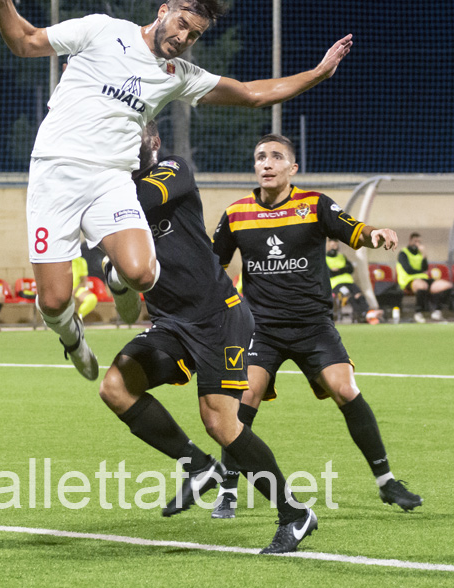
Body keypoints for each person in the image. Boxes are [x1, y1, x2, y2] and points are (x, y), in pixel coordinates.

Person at [0, 0, 353, 381]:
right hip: (54, 174)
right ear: (162, 11)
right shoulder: (103, 30)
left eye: (195, 34)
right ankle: (72, 339)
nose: (184, 38)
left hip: (111, 179)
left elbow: (251, 95)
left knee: (141, 274)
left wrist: (318, 74)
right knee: (53, 301)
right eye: (181, 24)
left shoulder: (178, 75)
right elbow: (25, 41)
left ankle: (116, 273)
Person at [99, 122, 317, 553]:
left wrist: (85, 201)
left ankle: (294, 513)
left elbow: (137, 202)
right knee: (115, 387)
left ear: (153, 141)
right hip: (170, 322)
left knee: (220, 422)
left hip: (219, 315)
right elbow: (125, 305)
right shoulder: (111, 200)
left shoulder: (172, 170)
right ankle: (199, 467)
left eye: (133, 134)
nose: (125, 142)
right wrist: (116, 277)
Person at [211, 134, 423, 512]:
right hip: (261, 327)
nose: (267, 163)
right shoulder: (236, 213)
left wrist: (376, 235)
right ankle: (228, 488)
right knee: (245, 397)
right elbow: (213, 265)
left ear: (293, 168)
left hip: (313, 325)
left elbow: (352, 230)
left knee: (346, 390)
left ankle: (387, 482)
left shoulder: (314, 205)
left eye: (276, 157)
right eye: (261, 157)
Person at [396, 232, 452, 323]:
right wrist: (421, 272)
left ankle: (437, 311)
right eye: (415, 241)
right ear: (410, 241)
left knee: (446, 285)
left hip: (424, 279)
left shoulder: (420, 254)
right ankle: (418, 312)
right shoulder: (403, 253)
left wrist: (424, 255)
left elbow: (425, 268)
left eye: (419, 242)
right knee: (422, 286)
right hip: (409, 280)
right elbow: (408, 270)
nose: (417, 243)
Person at [326, 238, 370, 323]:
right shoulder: (324, 258)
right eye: (332, 245)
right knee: (349, 296)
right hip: (337, 284)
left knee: (359, 295)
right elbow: (329, 273)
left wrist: (338, 270)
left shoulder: (342, 256)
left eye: (335, 245)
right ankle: (360, 316)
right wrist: (343, 269)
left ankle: (367, 313)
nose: (333, 247)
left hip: (349, 282)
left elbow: (350, 269)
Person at [71, 255, 99, 321]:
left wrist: (74, 291)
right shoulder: (59, 260)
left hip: (76, 289)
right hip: (61, 289)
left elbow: (83, 282)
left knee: (91, 299)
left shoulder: (81, 261)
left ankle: (77, 318)